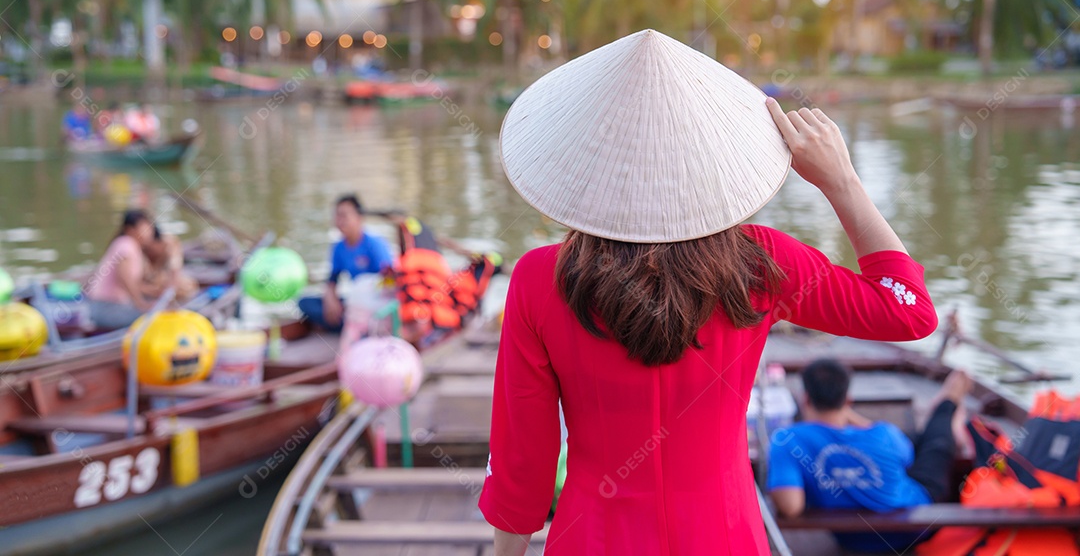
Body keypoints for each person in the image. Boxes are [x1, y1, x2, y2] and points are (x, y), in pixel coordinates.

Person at [479, 30, 939, 556]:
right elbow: (907, 310)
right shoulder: (760, 264)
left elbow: (522, 466)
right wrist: (842, 182)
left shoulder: (540, 278)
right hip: (726, 536)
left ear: (586, 161)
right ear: (710, 156)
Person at [768, 359, 972, 552]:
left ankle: (943, 410)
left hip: (854, 541)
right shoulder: (884, 433)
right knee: (935, 444)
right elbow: (908, 457)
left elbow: (791, 507)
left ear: (805, 399)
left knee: (917, 444)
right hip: (915, 529)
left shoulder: (787, 440)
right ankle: (947, 404)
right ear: (847, 400)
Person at [297, 195, 394, 331]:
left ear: (359, 218)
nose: (339, 221)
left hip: (375, 303)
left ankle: (353, 325)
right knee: (305, 303)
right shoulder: (339, 247)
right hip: (355, 302)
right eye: (337, 216)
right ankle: (349, 325)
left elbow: (391, 280)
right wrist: (330, 299)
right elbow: (332, 280)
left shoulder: (374, 244)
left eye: (344, 216)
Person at [83, 210, 160, 330]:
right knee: (154, 316)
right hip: (105, 308)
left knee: (155, 306)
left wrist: (156, 291)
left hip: (102, 307)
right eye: (144, 228)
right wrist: (140, 303)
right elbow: (123, 278)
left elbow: (134, 284)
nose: (150, 232)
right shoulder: (127, 244)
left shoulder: (128, 245)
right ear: (130, 230)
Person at [143, 226, 198, 302]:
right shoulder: (141, 246)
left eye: (150, 249)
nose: (149, 251)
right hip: (150, 281)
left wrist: (168, 292)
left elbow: (175, 270)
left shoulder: (170, 243)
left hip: (165, 280)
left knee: (187, 287)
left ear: (158, 242)